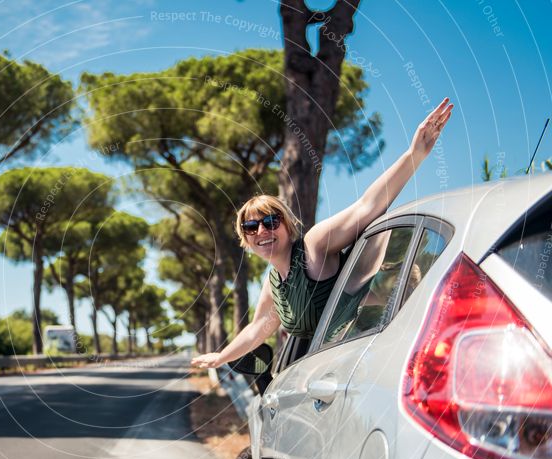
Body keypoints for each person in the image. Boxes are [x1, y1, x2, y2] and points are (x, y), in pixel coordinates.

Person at [191, 98, 454, 369]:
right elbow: (258, 329)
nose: (262, 231)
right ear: (245, 240)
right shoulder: (273, 285)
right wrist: (221, 358)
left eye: (271, 221)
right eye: (250, 227)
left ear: (287, 225)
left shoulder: (313, 247)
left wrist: (415, 155)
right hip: (337, 369)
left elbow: (367, 206)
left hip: (386, 352)